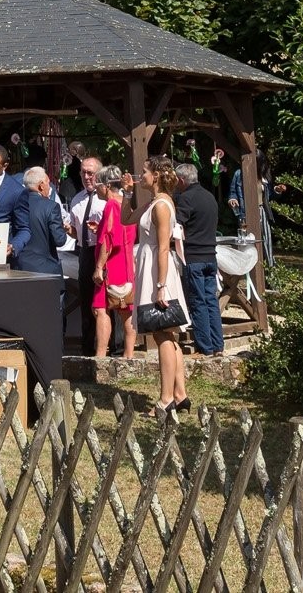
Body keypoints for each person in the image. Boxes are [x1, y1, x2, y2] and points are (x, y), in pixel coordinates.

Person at [137, 157, 190, 415]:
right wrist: (126, 192)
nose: (141, 175)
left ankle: (166, 397)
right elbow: (128, 219)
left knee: (162, 334)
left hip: (159, 272)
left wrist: (160, 285)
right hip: (154, 269)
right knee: (168, 333)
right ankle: (180, 394)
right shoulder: (155, 201)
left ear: (156, 175)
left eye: (144, 171)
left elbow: (163, 246)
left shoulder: (161, 206)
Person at [174, 162, 224, 356]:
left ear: (181, 180)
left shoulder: (187, 198)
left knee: (198, 302)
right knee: (211, 300)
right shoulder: (209, 196)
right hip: (211, 256)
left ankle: (206, 347)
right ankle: (218, 345)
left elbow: (177, 225)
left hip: (194, 256)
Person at [9, 166, 68, 320]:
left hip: (19, 269)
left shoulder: (14, 205)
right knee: (51, 319)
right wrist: (63, 228)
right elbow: (59, 240)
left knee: (24, 317)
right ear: (41, 185)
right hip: (47, 272)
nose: (50, 187)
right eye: (49, 183)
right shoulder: (51, 206)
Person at [63, 153, 105, 355]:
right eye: (83, 173)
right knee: (87, 298)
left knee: (108, 299)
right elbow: (75, 230)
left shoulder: (106, 199)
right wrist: (68, 228)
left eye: (90, 173)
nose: (86, 177)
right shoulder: (77, 199)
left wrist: (102, 229)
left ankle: (112, 345)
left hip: (103, 250)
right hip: (85, 251)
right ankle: (88, 346)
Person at [92, 165, 135, 359]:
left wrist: (99, 267)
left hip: (111, 265)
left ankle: (100, 356)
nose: (95, 188)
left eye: (98, 184)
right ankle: (129, 354)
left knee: (100, 309)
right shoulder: (126, 203)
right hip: (125, 264)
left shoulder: (110, 205)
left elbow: (109, 239)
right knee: (126, 309)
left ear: (107, 185)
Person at [227, 153, 284, 264]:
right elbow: (233, 192)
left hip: (262, 211)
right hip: (245, 212)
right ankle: (249, 267)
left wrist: (277, 189)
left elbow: (269, 195)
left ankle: (269, 267)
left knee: (265, 239)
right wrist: (232, 200)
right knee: (247, 240)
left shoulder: (263, 176)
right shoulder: (239, 174)